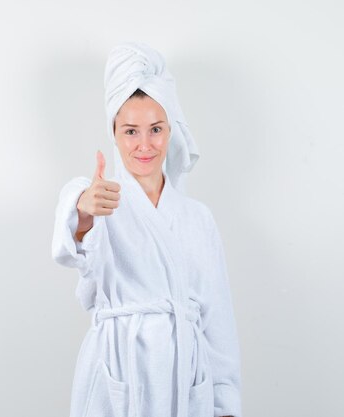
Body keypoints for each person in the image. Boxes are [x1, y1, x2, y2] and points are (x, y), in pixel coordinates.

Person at [51, 42, 242, 417]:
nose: (144, 145)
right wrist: (84, 209)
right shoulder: (100, 199)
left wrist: (225, 402)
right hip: (117, 368)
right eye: (130, 131)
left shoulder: (197, 218)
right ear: (114, 133)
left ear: (171, 130)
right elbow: (73, 229)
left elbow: (218, 320)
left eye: (155, 129)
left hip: (185, 374)